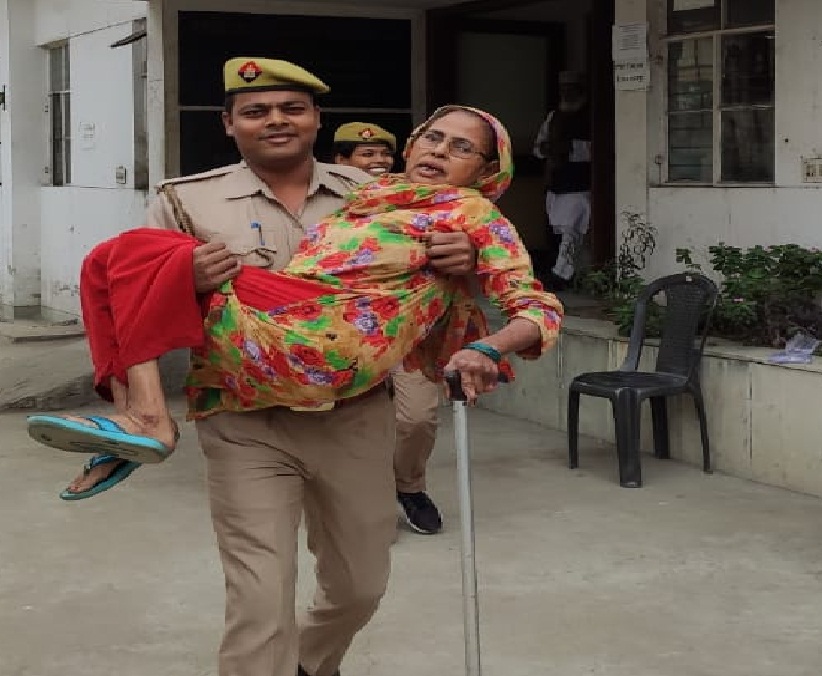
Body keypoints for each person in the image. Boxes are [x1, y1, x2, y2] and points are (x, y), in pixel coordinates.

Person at [41, 58, 549, 676]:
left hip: (355, 417)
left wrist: (464, 256)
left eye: (293, 109)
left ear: (316, 119)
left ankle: (313, 664)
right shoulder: (185, 198)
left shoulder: (375, 193)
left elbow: (467, 259)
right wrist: (187, 281)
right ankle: (145, 416)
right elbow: (139, 303)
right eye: (255, 111)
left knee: (360, 586)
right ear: (229, 124)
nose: (276, 121)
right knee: (259, 600)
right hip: (243, 417)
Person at [331, 120, 445, 534]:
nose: (378, 161)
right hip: (348, 333)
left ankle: (409, 485)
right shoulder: (328, 204)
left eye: (383, 153)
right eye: (366, 154)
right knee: (353, 424)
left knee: (418, 417)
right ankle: (368, 502)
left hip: (411, 329)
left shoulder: (417, 196)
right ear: (340, 161)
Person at [533, 70, 592, 292]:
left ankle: (561, 274)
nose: (566, 93)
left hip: (580, 184)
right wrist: (548, 150)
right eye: (563, 89)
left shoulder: (590, 116)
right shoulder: (554, 116)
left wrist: (569, 148)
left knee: (572, 230)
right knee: (564, 232)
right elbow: (539, 146)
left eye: (571, 88)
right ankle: (573, 272)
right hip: (557, 182)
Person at [331, 121, 396, 177]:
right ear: (342, 160)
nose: (381, 160)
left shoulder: (399, 188)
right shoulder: (327, 189)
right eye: (368, 154)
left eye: (387, 154)